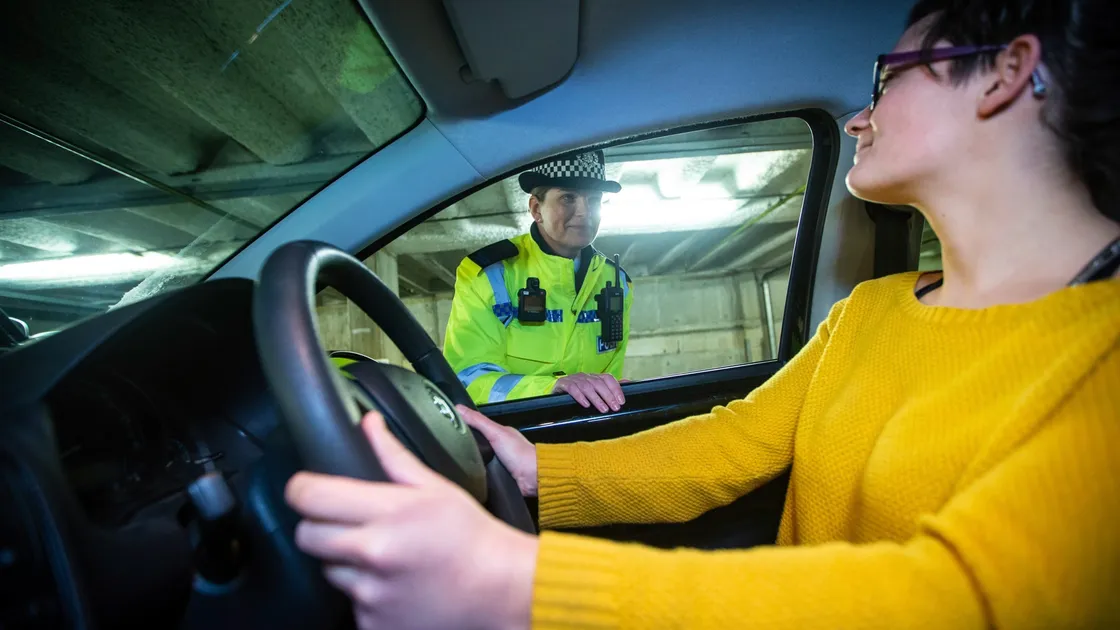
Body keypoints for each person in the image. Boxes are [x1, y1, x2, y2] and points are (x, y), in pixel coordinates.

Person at [283, 0, 1120, 627]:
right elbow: (732, 443)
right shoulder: (871, 311)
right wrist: (544, 471)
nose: (862, 114)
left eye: (889, 78)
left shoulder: (1104, 351)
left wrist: (512, 585)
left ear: (1008, 73)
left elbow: (954, 603)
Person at [443, 150, 634, 412]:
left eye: (594, 199)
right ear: (536, 208)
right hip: (514, 433)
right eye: (568, 198)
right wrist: (550, 389)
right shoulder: (489, 274)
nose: (584, 212)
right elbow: (468, 380)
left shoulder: (618, 282)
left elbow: (609, 378)